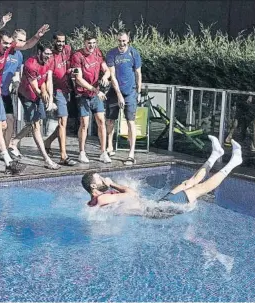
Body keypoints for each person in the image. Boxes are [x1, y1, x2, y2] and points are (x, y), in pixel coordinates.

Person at [81, 135, 243, 218]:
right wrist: (113, 184)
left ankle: (215, 155)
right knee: (198, 189)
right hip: (157, 211)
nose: (103, 179)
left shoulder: (94, 202)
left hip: (157, 205)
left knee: (188, 183)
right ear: (93, 187)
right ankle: (235, 161)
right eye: (100, 178)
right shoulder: (102, 199)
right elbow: (132, 194)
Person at [0, 12, 49, 174]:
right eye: (5, 43)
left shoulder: (10, 52)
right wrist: (0, 25)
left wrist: (37, 36)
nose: (8, 46)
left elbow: (27, 45)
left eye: (10, 43)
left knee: (1, 124)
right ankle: (8, 161)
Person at [8, 40, 60, 170]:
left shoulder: (50, 60)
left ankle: (14, 142)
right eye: (46, 54)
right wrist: (44, 97)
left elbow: (48, 80)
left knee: (35, 123)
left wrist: (50, 98)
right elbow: (35, 88)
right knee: (36, 125)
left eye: (50, 54)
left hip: (38, 94)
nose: (48, 56)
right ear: (39, 52)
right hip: (26, 94)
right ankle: (46, 159)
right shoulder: (30, 64)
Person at [71, 31, 112, 164]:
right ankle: (82, 152)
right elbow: (78, 79)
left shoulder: (98, 53)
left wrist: (105, 77)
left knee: (101, 121)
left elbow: (106, 69)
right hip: (83, 94)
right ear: (84, 43)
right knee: (84, 123)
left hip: (96, 94)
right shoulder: (77, 56)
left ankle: (103, 152)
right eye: (89, 43)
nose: (91, 46)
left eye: (94, 43)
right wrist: (95, 89)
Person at [105, 30, 142, 165]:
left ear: (128, 40)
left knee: (130, 122)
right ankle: (109, 145)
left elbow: (138, 73)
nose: (121, 43)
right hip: (115, 92)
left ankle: (131, 153)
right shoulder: (111, 54)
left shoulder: (134, 53)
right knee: (110, 120)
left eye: (124, 41)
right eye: (119, 41)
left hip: (130, 92)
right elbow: (112, 75)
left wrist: (138, 91)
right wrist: (119, 94)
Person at [43, 31, 76, 166]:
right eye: (58, 41)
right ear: (54, 41)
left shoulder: (68, 50)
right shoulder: (51, 57)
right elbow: (48, 78)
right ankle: (63, 156)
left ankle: (47, 142)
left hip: (69, 90)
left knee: (64, 123)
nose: (61, 43)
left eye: (63, 41)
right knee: (63, 121)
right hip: (57, 91)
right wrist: (49, 96)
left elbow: (72, 64)